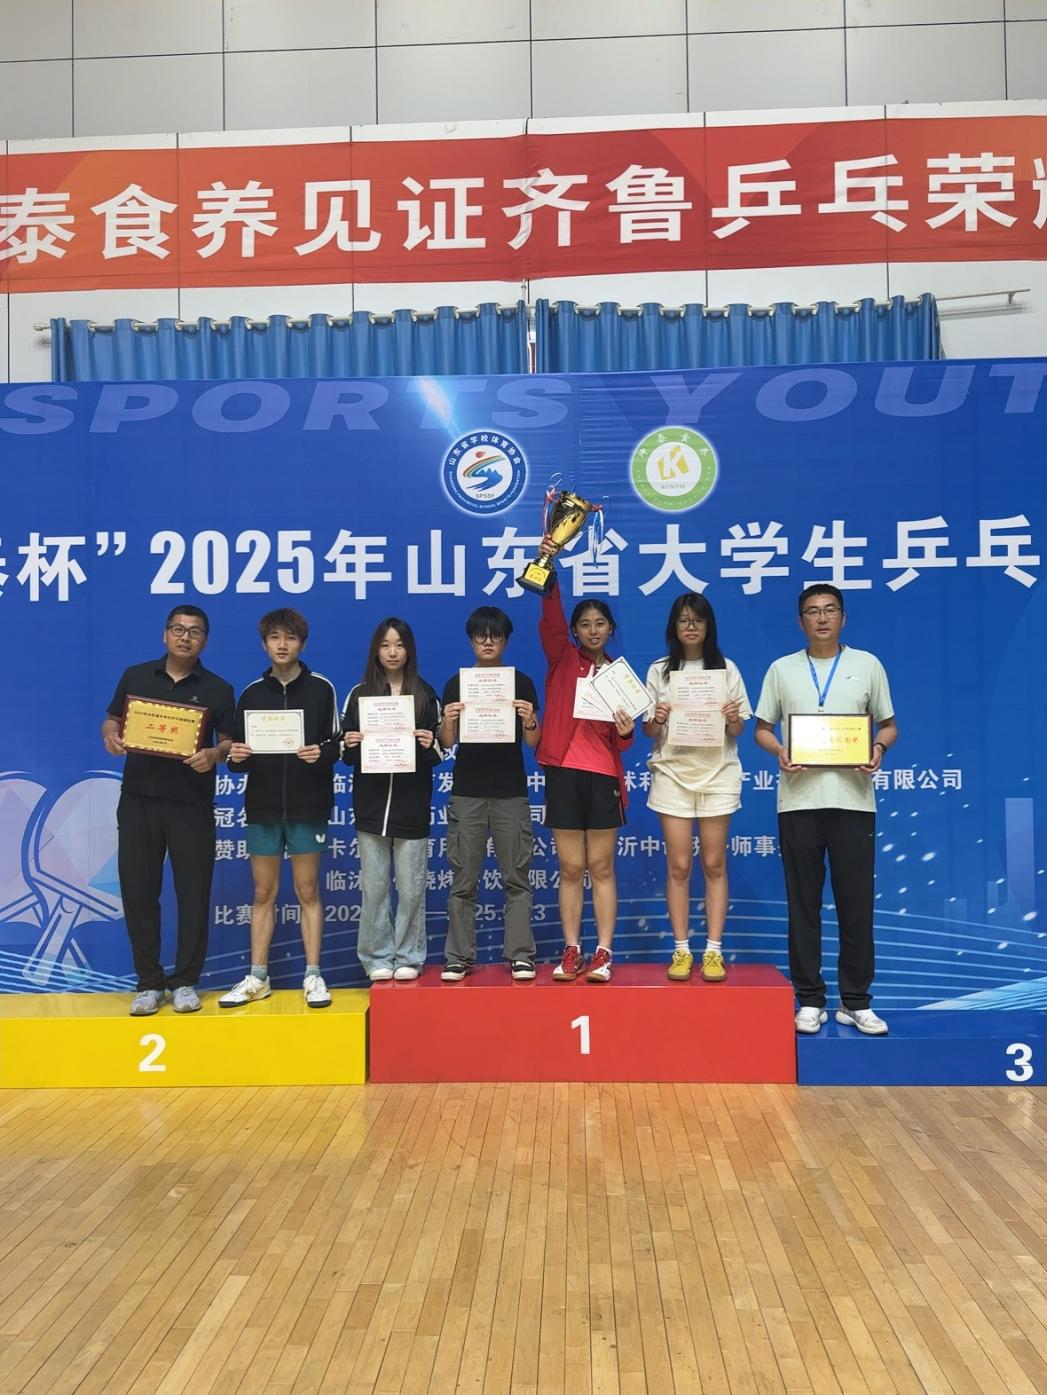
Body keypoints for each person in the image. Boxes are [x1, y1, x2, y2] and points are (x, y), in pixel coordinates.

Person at [754, 584, 897, 1036]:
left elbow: (889, 725)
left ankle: (855, 1001)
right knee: (803, 906)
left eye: (830, 610)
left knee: (856, 906)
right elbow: (761, 728)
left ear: (843, 618)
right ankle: (810, 999)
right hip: (798, 802)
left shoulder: (867, 665)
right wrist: (779, 750)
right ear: (800, 622)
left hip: (853, 802)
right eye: (813, 612)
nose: (821, 618)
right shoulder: (782, 669)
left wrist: (877, 748)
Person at [101, 606, 234, 1016]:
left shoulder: (218, 688)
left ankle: (186, 981)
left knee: (193, 893)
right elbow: (112, 719)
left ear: (205, 640)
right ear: (165, 634)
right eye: (178, 629)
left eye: (194, 631)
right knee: (139, 891)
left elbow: (229, 742)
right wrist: (111, 735)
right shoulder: (136, 676)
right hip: (138, 800)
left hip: (191, 804)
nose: (185, 637)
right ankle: (149, 982)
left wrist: (214, 754)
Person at [220, 609, 342, 1010]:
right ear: (264, 644)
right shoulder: (252, 693)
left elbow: (338, 744)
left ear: (302, 643)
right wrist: (236, 757)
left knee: (308, 890)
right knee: (262, 892)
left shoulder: (322, 688)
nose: (283, 644)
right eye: (275, 637)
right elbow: (238, 756)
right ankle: (258, 976)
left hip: (308, 806)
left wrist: (321, 752)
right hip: (264, 807)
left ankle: (313, 974)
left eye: (290, 637)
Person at [534, 547, 635, 983]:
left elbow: (622, 742)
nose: (593, 630)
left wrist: (626, 729)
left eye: (600, 624)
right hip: (563, 773)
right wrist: (548, 568)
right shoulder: (562, 657)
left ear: (611, 629)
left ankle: (604, 952)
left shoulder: (619, 676)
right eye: (585, 624)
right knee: (571, 868)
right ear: (574, 631)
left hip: (603, 777)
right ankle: (572, 949)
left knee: (603, 867)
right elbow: (551, 617)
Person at [642, 592, 751, 983]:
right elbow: (648, 731)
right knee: (679, 865)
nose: (690, 627)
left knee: (714, 864)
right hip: (672, 774)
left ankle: (714, 951)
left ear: (708, 626)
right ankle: (681, 949)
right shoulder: (660, 671)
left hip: (718, 774)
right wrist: (657, 718)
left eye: (698, 620)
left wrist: (733, 717)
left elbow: (738, 730)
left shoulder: (726, 669)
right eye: (683, 620)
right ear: (673, 626)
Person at [438, 606, 541, 982]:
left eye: (495, 635)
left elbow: (534, 741)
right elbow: (446, 742)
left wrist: (529, 719)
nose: (487, 641)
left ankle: (520, 955)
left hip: (510, 790)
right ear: (471, 641)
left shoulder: (522, 683)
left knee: (517, 878)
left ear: (506, 641)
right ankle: (458, 956)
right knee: (463, 878)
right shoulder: (457, 684)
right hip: (468, 790)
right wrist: (448, 720)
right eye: (480, 635)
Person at [342, 618, 443, 982]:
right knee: (375, 888)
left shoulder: (426, 694)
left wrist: (430, 744)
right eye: (385, 645)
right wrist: (350, 743)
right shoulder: (360, 695)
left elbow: (441, 751)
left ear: (409, 650)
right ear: (376, 650)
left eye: (399, 645)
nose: (392, 652)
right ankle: (376, 958)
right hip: (370, 807)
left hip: (412, 805)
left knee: (412, 888)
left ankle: (409, 956)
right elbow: (345, 752)